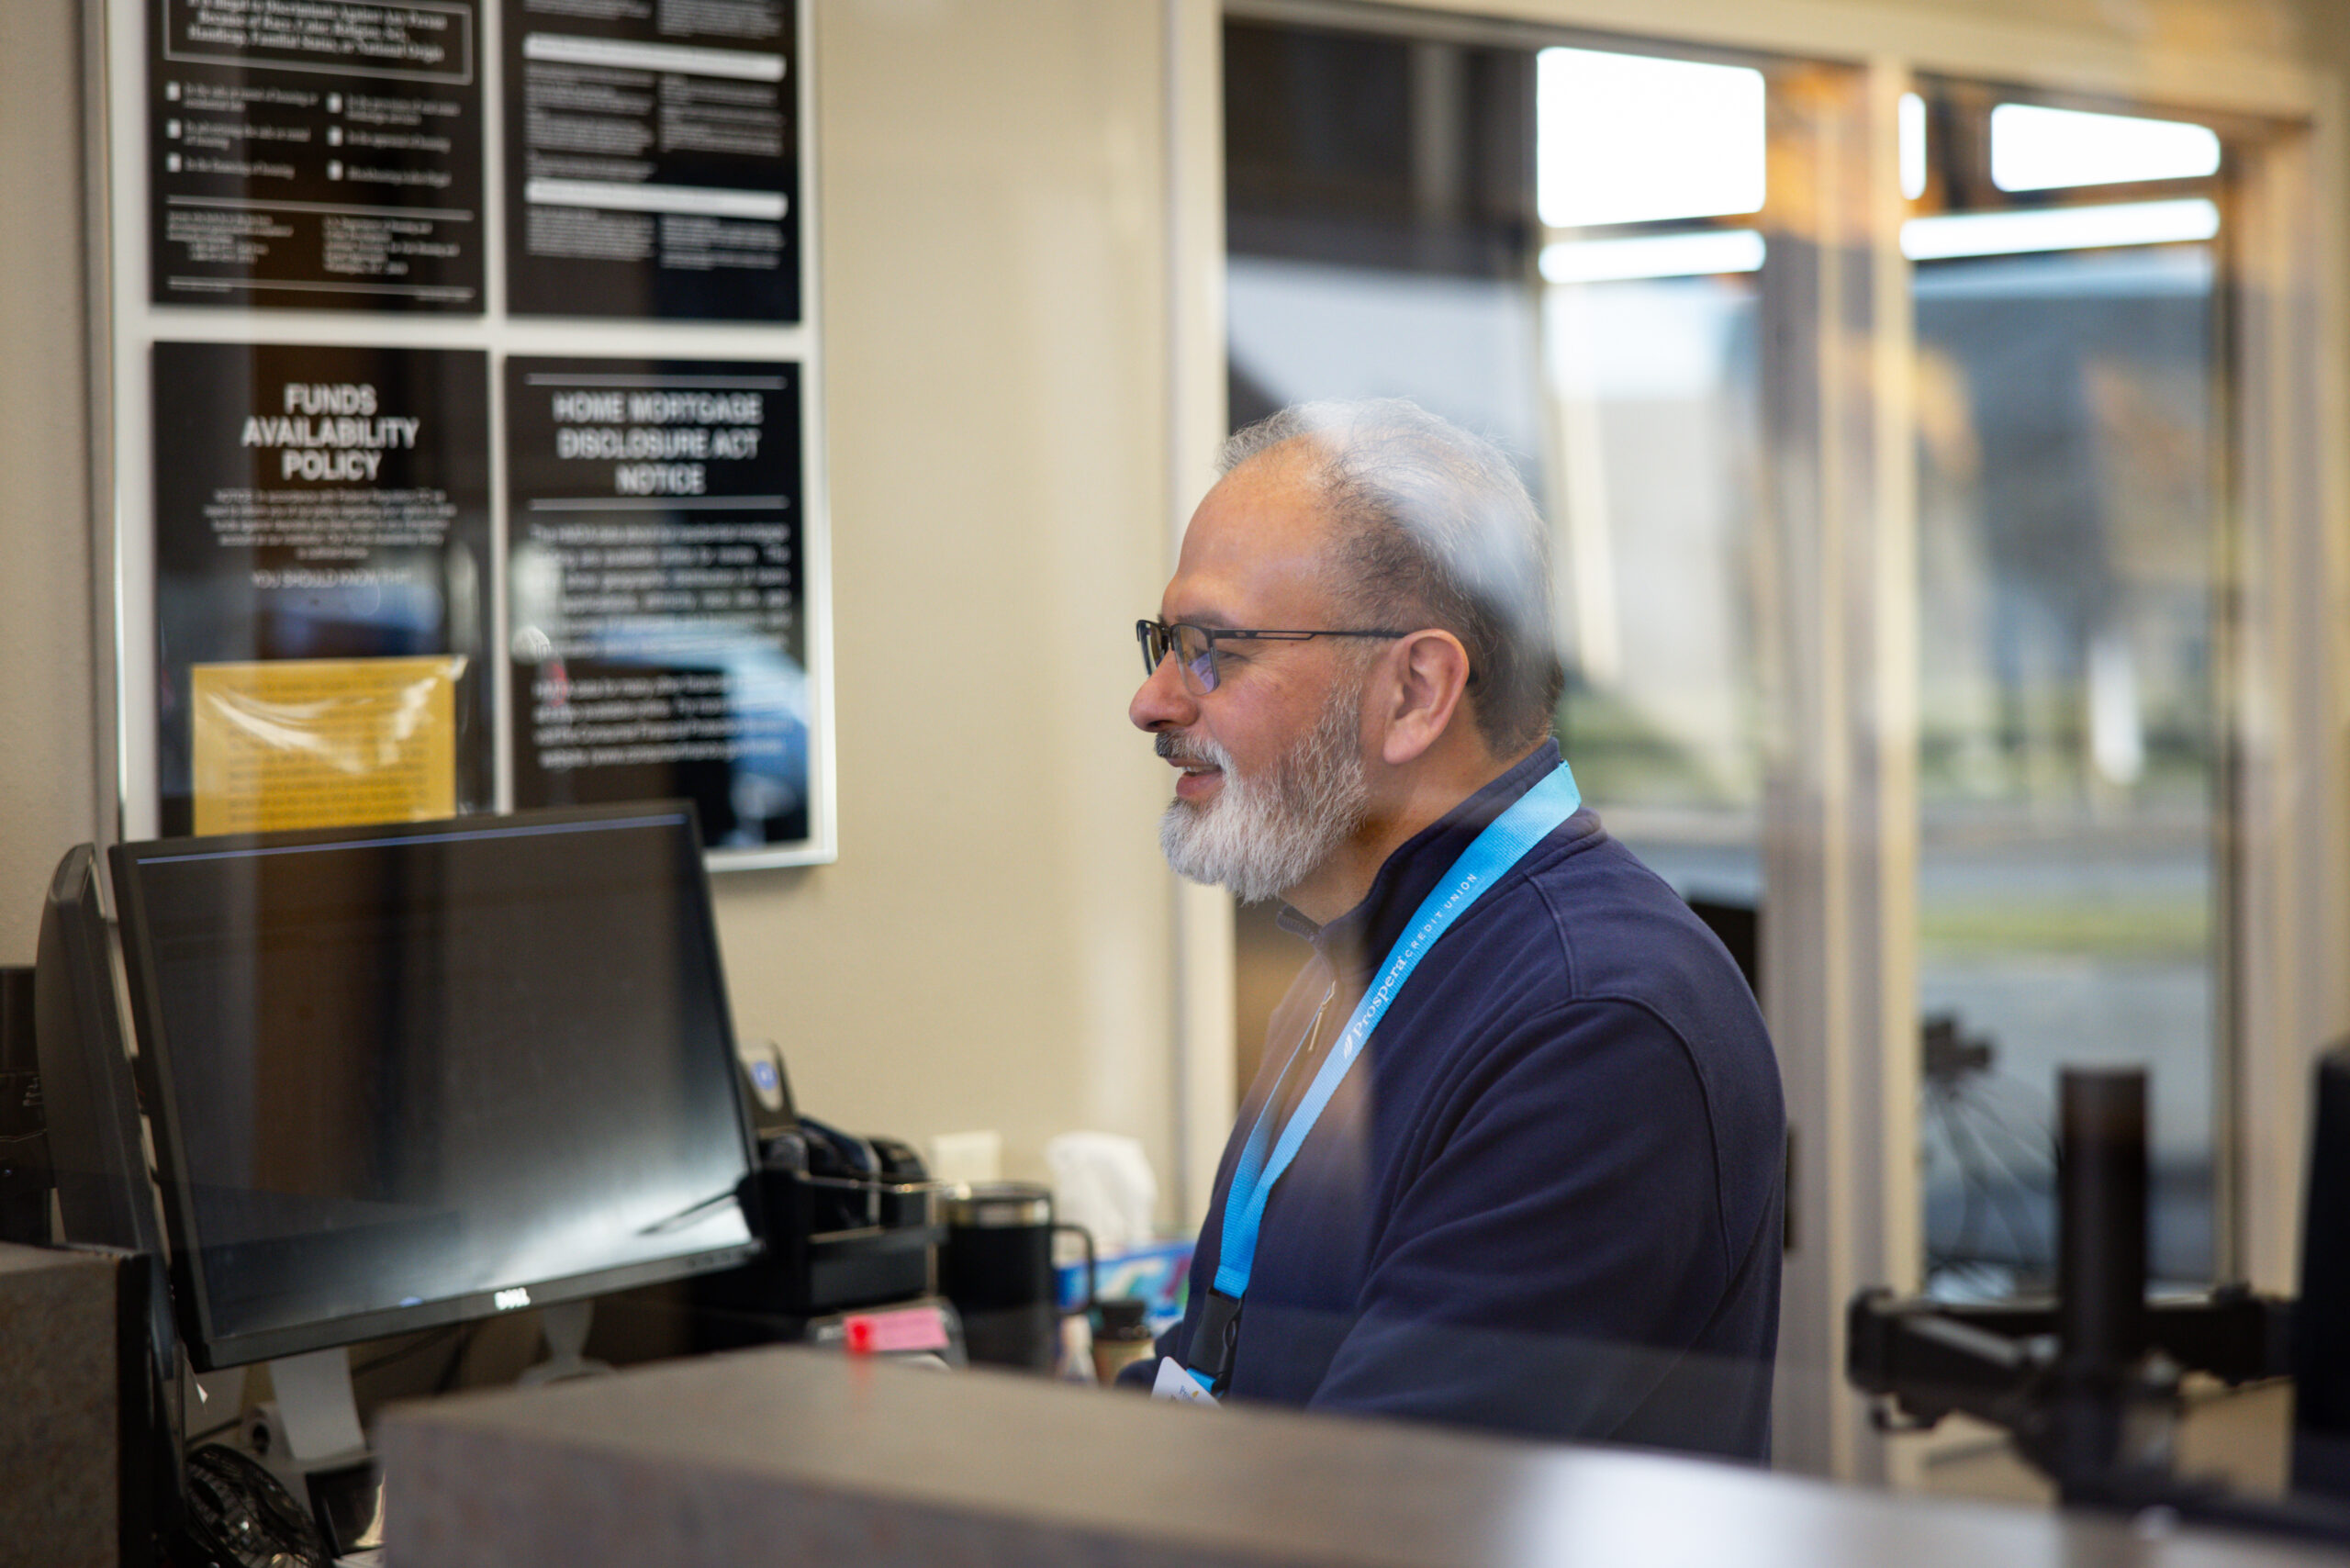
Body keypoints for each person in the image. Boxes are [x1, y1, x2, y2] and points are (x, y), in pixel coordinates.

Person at [1125, 399, 1784, 1461]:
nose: (1152, 701)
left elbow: (1373, 1507)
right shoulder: (1373, 946)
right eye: (1165, 644)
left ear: (1416, 690)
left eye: (1209, 651)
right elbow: (1216, 1363)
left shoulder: (1597, 1026)